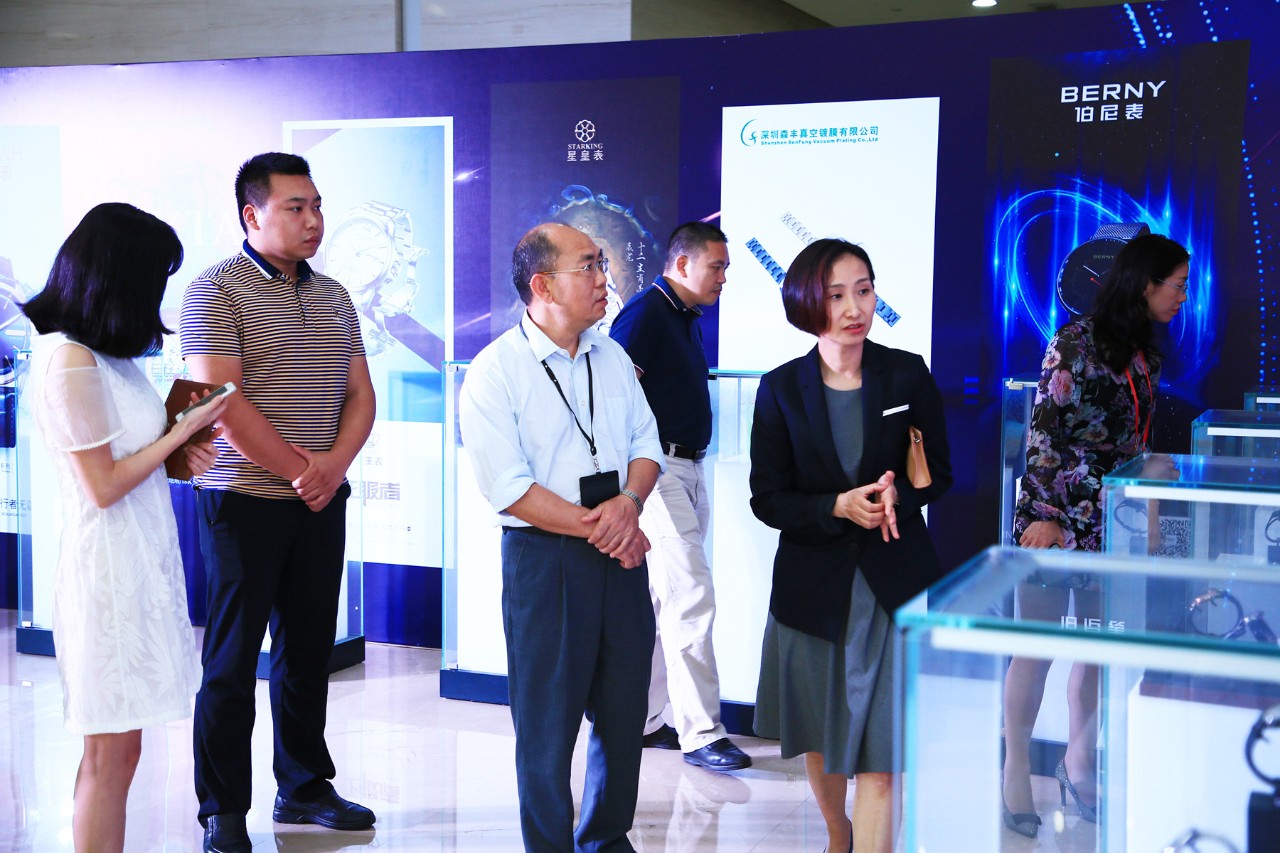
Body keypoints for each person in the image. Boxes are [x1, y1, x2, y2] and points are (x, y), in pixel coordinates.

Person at [180, 152, 377, 853]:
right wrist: (303, 471)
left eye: (316, 205)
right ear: (251, 214)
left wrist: (332, 468)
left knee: (307, 652)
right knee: (231, 661)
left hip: (320, 500)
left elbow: (361, 394)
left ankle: (304, 786)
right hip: (242, 500)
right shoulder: (214, 290)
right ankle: (222, 809)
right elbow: (222, 404)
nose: (313, 219)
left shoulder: (336, 295)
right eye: (296, 207)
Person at [21, 202, 227, 853]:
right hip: (106, 575)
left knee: (124, 749)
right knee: (108, 755)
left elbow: (131, 458)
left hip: (138, 563)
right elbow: (103, 485)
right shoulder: (69, 360)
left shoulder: (108, 357)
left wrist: (176, 447)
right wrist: (181, 435)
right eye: (154, 277)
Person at [459, 222, 663, 851]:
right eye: (589, 266)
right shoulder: (495, 371)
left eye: (602, 263)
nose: (605, 278)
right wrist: (607, 527)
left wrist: (629, 505)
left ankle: (606, 838)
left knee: (624, 713)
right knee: (547, 725)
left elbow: (647, 444)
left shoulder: (613, 357)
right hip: (544, 559)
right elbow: (508, 486)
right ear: (543, 285)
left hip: (620, 553)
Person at [749, 238, 951, 853]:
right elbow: (768, 499)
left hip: (892, 584)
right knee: (823, 737)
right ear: (808, 302)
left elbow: (938, 474)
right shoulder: (781, 389)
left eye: (863, 290)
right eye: (836, 295)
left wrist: (899, 498)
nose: (854, 308)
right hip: (814, 589)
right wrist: (835, 506)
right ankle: (838, 832)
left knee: (882, 759)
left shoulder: (906, 372)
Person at [1001, 232, 1189, 837]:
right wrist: (1044, 515)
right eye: (1178, 284)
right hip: (1053, 517)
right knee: (1035, 647)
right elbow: (1044, 436)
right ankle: (1015, 768)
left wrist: (1148, 497)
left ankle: (1078, 765)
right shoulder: (1073, 342)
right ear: (1145, 283)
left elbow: (1134, 444)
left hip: (1112, 522)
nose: (1183, 297)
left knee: (1097, 647)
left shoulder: (1146, 354)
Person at [608, 221, 751, 772]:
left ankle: (643, 720)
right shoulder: (645, 315)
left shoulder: (685, 318)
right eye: (717, 267)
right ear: (683, 263)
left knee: (666, 598)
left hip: (689, 465)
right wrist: (632, 484)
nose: (723, 279)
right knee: (689, 595)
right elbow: (614, 400)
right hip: (657, 471)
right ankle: (702, 733)